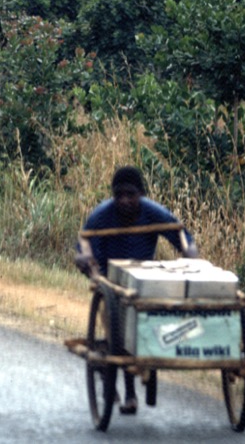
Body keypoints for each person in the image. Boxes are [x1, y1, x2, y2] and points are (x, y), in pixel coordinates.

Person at [75, 165, 198, 415]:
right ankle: (129, 393)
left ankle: (129, 379)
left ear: (140, 194)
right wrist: (88, 264)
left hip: (144, 281)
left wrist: (192, 262)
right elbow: (84, 244)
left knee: (147, 328)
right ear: (113, 195)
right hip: (111, 284)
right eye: (119, 195)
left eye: (131, 195)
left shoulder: (153, 212)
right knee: (119, 334)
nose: (125, 201)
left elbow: (183, 237)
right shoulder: (102, 215)